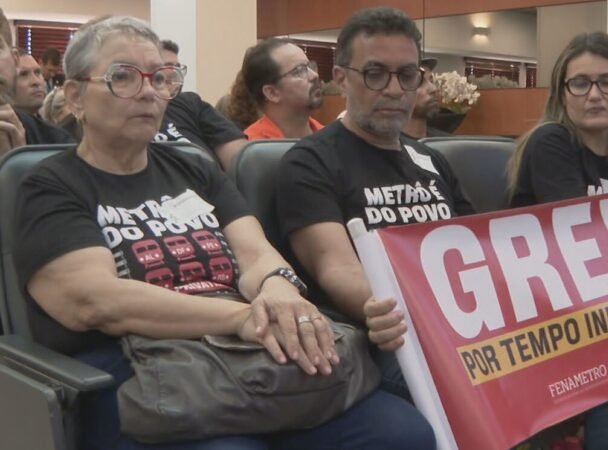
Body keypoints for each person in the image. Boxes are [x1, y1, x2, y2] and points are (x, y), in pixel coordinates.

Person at [13, 15, 434, 450]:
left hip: (246, 356)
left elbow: (256, 254)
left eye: (160, 78)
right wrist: (241, 318)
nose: (149, 92)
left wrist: (279, 291)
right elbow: (96, 301)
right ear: (75, 95)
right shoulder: (50, 185)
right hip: (143, 374)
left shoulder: (194, 168)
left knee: (403, 434)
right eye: (123, 77)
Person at [274, 7, 473, 401]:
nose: (395, 90)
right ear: (340, 78)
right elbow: (336, 267)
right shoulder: (309, 162)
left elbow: (475, 247)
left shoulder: (431, 160)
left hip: (458, 325)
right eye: (375, 74)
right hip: (382, 338)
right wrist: (395, 308)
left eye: (408, 75)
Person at [506, 31, 608, 450]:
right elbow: (581, 245)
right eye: (581, 83)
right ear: (562, 92)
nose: (594, 94)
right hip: (547, 314)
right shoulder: (550, 142)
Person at [155, 39, 247, 172]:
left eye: (178, 68)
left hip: (209, 181)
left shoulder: (190, 103)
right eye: (168, 67)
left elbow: (237, 155)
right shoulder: (133, 115)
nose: (176, 74)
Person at [0, 8, 73, 155]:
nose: (35, 82)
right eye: (25, 74)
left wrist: (17, 162)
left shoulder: (57, 144)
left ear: (15, 60)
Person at [232, 38, 324, 140]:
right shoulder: (254, 145)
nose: (314, 75)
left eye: (310, 66)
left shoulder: (329, 138)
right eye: (299, 71)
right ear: (272, 93)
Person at [402, 57, 449, 139]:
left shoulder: (445, 142)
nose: (434, 89)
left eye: (432, 81)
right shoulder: (386, 144)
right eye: (419, 82)